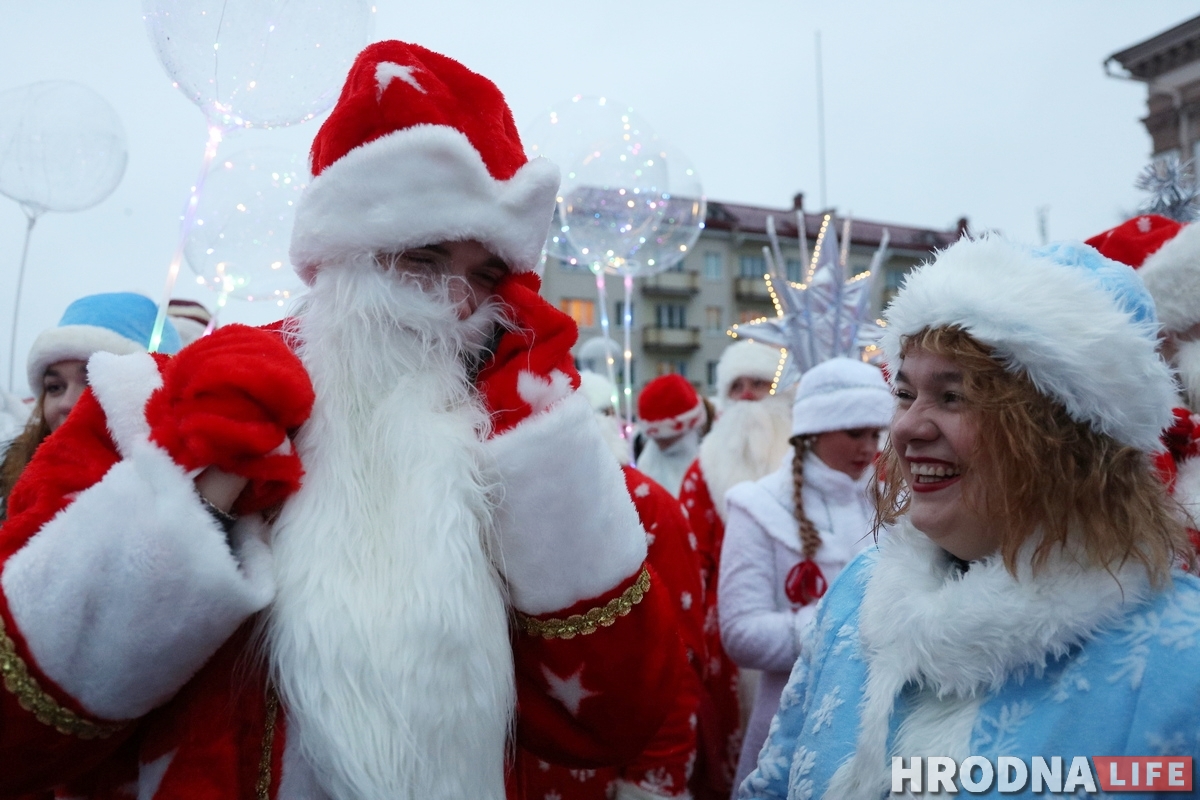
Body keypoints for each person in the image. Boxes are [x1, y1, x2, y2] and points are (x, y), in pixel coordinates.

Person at [0, 41, 679, 799]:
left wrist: (547, 458)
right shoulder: (146, 404)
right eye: (422, 259)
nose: (454, 305)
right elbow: (16, 735)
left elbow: (616, 721)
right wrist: (191, 496)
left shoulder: (506, 449)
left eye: (487, 276)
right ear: (348, 252)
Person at [739, 236, 1200, 799]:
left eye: (954, 396)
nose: (907, 427)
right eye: (905, 393)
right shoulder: (858, 597)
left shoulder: (1178, 656)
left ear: (1062, 436)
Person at [513, 371, 704, 800]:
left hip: (606, 770)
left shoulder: (645, 504)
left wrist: (653, 783)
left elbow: (677, 661)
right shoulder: (481, 507)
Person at [719, 357, 890, 793]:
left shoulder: (892, 503)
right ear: (814, 430)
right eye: (855, 433)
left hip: (885, 726)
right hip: (793, 724)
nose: (868, 448)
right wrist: (841, 625)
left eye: (876, 433)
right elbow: (740, 634)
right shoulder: (757, 507)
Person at [677, 340, 793, 800]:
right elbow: (691, 560)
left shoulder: (811, 456)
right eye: (736, 386)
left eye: (759, 384)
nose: (747, 396)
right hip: (725, 635)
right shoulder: (703, 468)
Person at [0, 292, 181, 517]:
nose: (66, 403)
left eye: (92, 382)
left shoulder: (193, 498)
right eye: (55, 387)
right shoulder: (9, 480)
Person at [637, 373, 708, 497]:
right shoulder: (648, 461)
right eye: (656, 438)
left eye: (667, 438)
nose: (661, 443)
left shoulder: (709, 458)